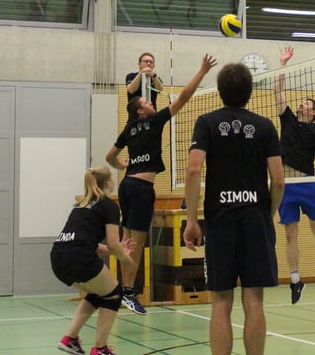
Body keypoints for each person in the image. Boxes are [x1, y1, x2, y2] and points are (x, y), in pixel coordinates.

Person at [183, 63, 284, 355]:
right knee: (254, 300)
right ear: (250, 92)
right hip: (255, 220)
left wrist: (192, 220)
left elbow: (193, 170)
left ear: (220, 90)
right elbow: (278, 180)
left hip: (220, 221)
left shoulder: (206, 122)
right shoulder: (265, 126)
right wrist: (267, 215)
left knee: (220, 301)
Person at [106, 54, 217, 315]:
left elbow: (109, 157)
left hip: (127, 186)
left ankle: (123, 290)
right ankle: (128, 292)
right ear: (141, 111)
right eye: (147, 102)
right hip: (141, 190)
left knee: (127, 242)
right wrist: (202, 71)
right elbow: (183, 97)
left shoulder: (129, 128)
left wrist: (121, 166)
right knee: (135, 245)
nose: (150, 102)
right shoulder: (154, 121)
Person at [273, 46, 315, 304]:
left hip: (307, 183)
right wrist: (282, 63)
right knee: (290, 233)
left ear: (313, 112)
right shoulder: (288, 119)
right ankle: (295, 280)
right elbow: (278, 90)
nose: (302, 103)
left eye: (307, 103)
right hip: (286, 184)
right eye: (302, 101)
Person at [51, 166, 136, 355]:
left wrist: (116, 250)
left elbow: (86, 241)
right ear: (108, 183)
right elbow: (113, 244)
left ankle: (70, 339)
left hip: (57, 258)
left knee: (100, 293)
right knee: (115, 293)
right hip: (78, 257)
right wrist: (126, 259)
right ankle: (100, 349)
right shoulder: (109, 206)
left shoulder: (81, 205)